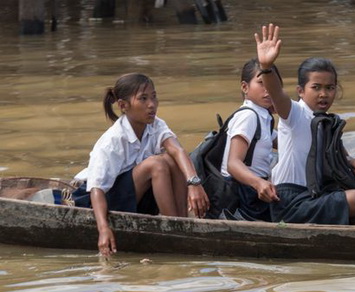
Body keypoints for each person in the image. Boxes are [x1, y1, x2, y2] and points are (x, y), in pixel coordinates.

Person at [255, 23, 355, 226]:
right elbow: (277, 93)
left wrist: (350, 160)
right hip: (289, 200)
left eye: (330, 88)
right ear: (301, 91)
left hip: (314, 195)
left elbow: (331, 150)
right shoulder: (295, 114)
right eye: (316, 87)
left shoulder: (326, 122)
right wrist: (266, 68)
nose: (323, 94)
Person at [72, 73, 210, 256]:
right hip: (100, 201)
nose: (151, 104)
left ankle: (181, 223)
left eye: (154, 97)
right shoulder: (113, 140)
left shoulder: (156, 125)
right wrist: (103, 229)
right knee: (156, 164)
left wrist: (194, 183)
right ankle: (173, 231)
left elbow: (177, 150)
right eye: (143, 99)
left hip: (135, 197)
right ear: (123, 106)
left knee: (170, 159)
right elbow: (97, 190)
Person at [220, 58, 280, 221]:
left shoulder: (263, 116)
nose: (268, 89)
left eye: (272, 83)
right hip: (243, 194)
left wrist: (284, 111)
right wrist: (258, 183)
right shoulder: (248, 116)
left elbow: (287, 143)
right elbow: (233, 164)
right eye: (261, 83)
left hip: (250, 190)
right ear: (245, 87)